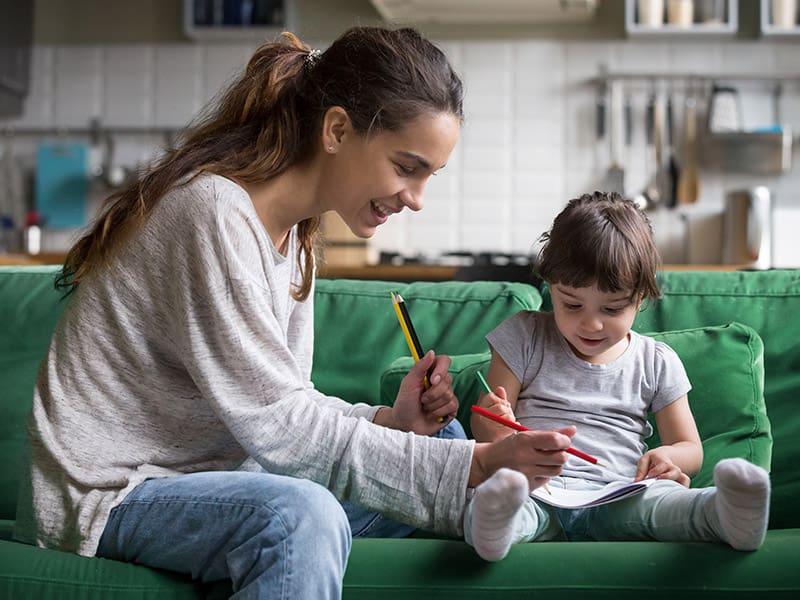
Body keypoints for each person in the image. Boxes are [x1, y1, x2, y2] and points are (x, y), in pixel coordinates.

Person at [14, 26, 575, 599]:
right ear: (336, 130)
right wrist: (473, 468)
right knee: (300, 517)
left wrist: (392, 423)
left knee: (447, 442)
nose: (417, 197)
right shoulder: (212, 214)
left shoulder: (298, 237)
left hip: (224, 479)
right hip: (112, 492)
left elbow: (287, 405)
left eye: (430, 175)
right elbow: (279, 426)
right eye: (407, 167)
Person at [466, 191, 771, 562]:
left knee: (664, 504)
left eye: (612, 308)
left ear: (641, 297)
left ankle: (724, 514)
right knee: (499, 496)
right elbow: (488, 431)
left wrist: (667, 456)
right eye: (571, 304)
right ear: (551, 287)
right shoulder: (523, 336)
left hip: (617, 494)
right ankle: (494, 527)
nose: (591, 323)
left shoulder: (656, 361)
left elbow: (690, 448)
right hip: (534, 488)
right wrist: (493, 424)